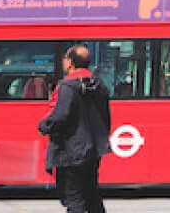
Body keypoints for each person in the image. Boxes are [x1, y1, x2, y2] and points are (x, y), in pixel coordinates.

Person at [38, 44, 112, 213]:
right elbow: (106, 119)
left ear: (70, 62)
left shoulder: (67, 86)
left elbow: (60, 116)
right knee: (91, 194)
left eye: (65, 58)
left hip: (72, 151)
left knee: (74, 197)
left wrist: (44, 126)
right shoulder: (100, 85)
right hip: (94, 150)